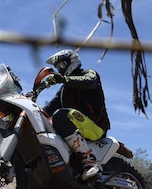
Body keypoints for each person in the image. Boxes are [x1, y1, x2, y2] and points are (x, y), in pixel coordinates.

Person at [37, 49, 111, 180]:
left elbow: (89, 81)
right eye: (57, 67)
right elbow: (49, 108)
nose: (59, 69)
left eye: (61, 65)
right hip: (79, 128)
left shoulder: (89, 74)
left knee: (61, 115)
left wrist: (64, 79)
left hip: (96, 126)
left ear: (72, 61)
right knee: (42, 123)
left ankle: (90, 162)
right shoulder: (64, 90)